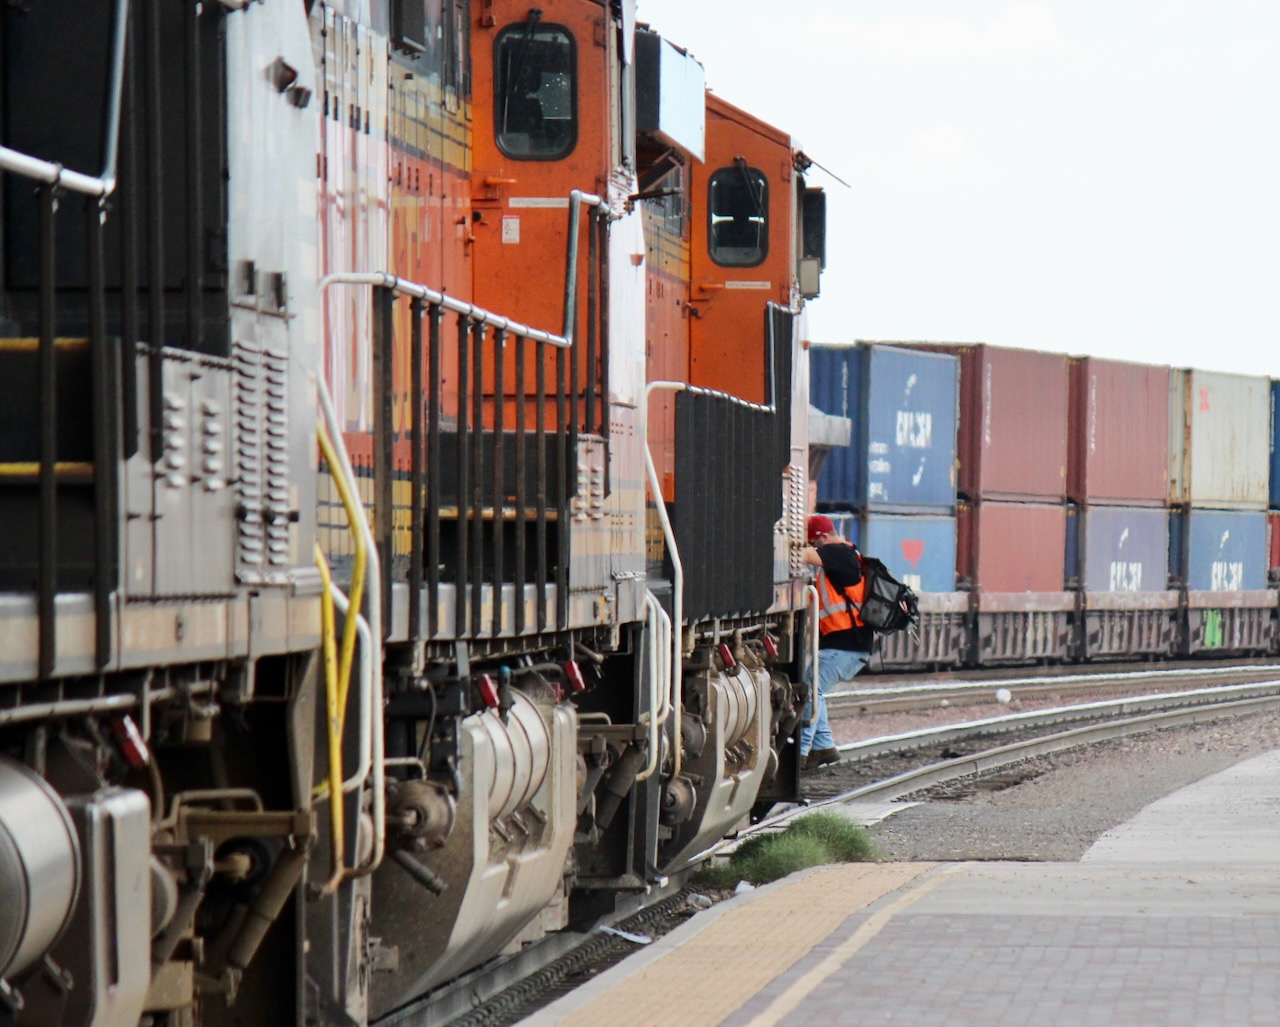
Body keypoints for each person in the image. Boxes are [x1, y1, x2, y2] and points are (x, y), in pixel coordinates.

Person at [799, 514, 875, 770]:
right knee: (813, 686)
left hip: (847, 645)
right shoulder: (845, 557)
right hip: (847, 645)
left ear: (822, 537)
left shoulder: (838, 553)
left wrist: (789, 542)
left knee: (810, 687)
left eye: (815, 542)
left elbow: (804, 556)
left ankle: (801, 751)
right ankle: (823, 747)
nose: (815, 548)